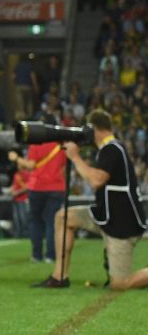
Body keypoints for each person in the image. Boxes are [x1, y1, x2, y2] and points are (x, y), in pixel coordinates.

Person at [34, 110, 148, 289]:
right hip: (104, 216)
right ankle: (59, 276)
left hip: (121, 224)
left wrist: (75, 157)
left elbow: (96, 180)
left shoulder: (112, 148)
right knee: (63, 217)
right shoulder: (109, 148)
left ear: (93, 128)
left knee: (120, 284)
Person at [9, 114, 67, 263]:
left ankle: (36, 255)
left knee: (36, 221)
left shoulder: (36, 144)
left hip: (37, 187)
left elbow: (30, 165)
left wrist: (16, 158)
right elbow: (64, 166)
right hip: (56, 187)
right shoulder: (61, 144)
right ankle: (51, 255)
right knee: (51, 222)